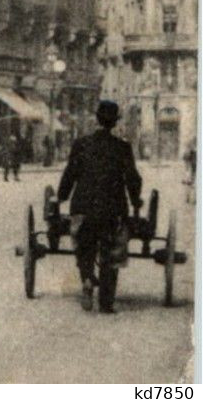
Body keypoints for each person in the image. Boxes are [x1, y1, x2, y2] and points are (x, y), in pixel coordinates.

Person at [55, 100, 143, 314]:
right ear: (115, 122)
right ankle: (106, 302)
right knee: (110, 253)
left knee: (83, 246)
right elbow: (132, 178)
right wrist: (135, 200)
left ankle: (86, 278)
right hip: (112, 209)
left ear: (96, 118)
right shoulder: (122, 147)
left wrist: (61, 196)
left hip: (83, 207)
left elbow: (70, 174)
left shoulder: (81, 144)